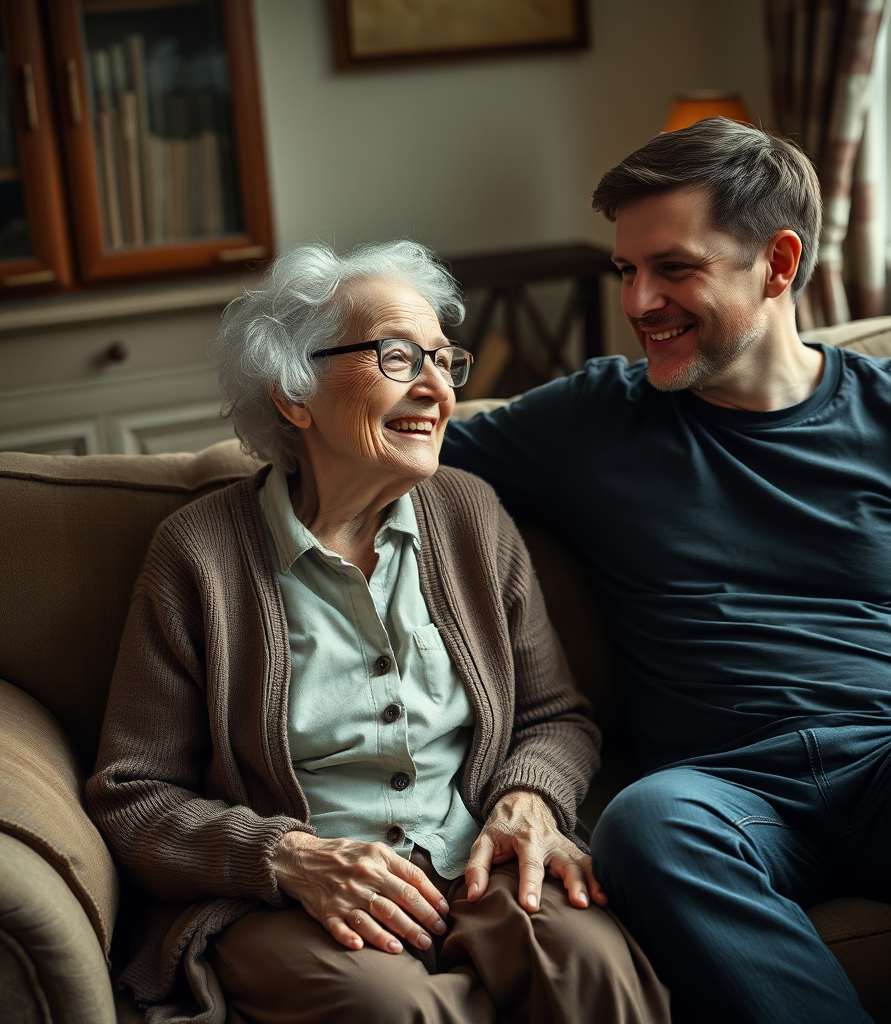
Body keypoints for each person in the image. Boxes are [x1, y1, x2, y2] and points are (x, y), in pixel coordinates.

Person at [440, 118, 891, 1024]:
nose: (638, 301)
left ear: (778, 264)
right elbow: (395, 452)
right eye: (627, 271)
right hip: (732, 802)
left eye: (674, 268)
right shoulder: (591, 420)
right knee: (645, 821)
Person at [86, 240, 670, 1024]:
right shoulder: (199, 555)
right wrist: (287, 858)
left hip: (475, 863)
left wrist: (528, 797)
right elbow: (134, 796)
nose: (436, 387)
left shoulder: (471, 515)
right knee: (389, 1009)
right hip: (296, 901)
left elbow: (553, 717)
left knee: (594, 968)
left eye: (443, 359)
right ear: (294, 394)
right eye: (398, 358)